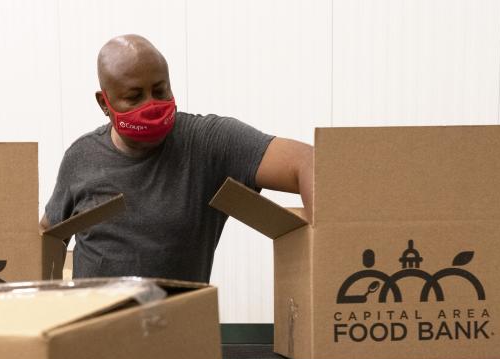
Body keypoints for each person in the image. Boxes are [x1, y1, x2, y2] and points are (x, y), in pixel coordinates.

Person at [41, 34, 314, 283]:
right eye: (134, 97)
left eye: (160, 91)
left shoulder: (207, 144)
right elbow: (48, 239)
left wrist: (329, 256)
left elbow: (306, 161)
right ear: (104, 103)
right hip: (95, 329)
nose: (151, 106)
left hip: (177, 326)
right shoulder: (81, 158)